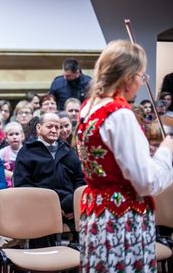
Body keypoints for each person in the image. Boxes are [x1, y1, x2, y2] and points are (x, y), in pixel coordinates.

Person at [76, 40, 173, 272]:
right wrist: (167, 150)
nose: (142, 82)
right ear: (128, 76)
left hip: (97, 215)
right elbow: (146, 182)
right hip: (122, 219)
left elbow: (112, 162)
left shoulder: (89, 107)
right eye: (141, 75)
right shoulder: (120, 114)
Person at [14, 113, 85, 224]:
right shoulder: (27, 151)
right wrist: (51, 206)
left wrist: (71, 203)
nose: (54, 130)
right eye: (49, 126)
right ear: (38, 128)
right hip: (39, 209)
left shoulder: (67, 150)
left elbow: (80, 179)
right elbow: (22, 185)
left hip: (70, 207)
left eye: (57, 127)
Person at [0, 122, 25, 187]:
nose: (14, 137)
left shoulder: (27, 150)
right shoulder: (3, 151)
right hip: (8, 184)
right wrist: (4, 171)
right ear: (6, 138)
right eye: (11, 134)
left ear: (22, 136)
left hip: (23, 183)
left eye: (17, 134)